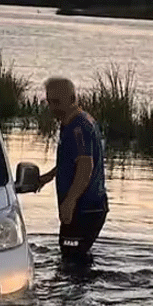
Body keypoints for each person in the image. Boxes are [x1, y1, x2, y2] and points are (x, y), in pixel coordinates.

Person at [35, 76, 109, 263]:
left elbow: (85, 167)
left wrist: (70, 202)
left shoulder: (79, 126)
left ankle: (81, 291)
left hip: (85, 207)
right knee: (71, 256)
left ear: (72, 98)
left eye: (57, 102)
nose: (53, 107)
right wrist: (49, 177)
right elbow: (71, 160)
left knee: (72, 260)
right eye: (50, 101)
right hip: (83, 205)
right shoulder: (70, 123)